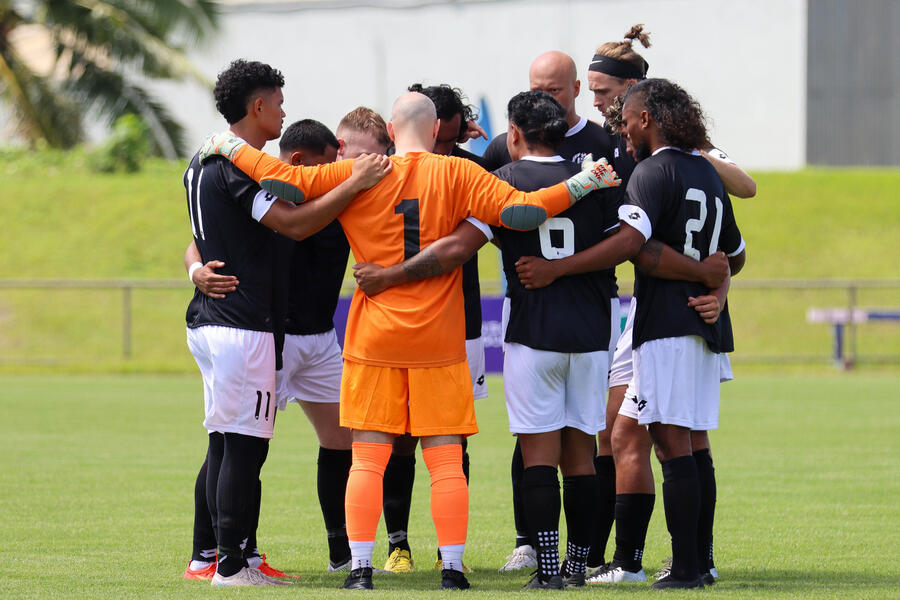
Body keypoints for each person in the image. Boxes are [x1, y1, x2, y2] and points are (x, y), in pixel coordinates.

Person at [199, 91, 620, 590]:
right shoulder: (458, 173)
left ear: (393, 132)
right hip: (438, 340)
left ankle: (359, 568)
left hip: (375, 336)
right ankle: (453, 570)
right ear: (436, 125)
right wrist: (583, 181)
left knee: (369, 456)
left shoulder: (362, 170)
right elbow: (525, 214)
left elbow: (284, 182)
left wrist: (229, 146)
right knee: (444, 459)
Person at [521, 77, 747, 589]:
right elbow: (732, 253)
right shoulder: (707, 174)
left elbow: (634, 246)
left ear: (646, 119)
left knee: (671, 444)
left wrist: (560, 269)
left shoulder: (652, 170)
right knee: (663, 437)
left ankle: (688, 567)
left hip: (666, 321)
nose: (621, 135)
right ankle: (673, 561)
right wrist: (713, 281)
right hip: (700, 323)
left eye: (626, 124)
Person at [182, 59, 391, 587]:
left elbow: (273, 198)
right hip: (247, 326)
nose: (282, 109)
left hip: (270, 330)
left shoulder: (208, 159)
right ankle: (228, 561)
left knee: (237, 441)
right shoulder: (238, 165)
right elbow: (295, 219)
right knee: (239, 446)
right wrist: (195, 268)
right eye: (277, 101)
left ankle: (236, 558)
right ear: (257, 106)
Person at [378, 83, 486, 575]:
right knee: (398, 437)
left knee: (451, 440)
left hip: (457, 322)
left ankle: (449, 550)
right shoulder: (387, 166)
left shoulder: (469, 168)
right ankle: (398, 542)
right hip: (403, 323)